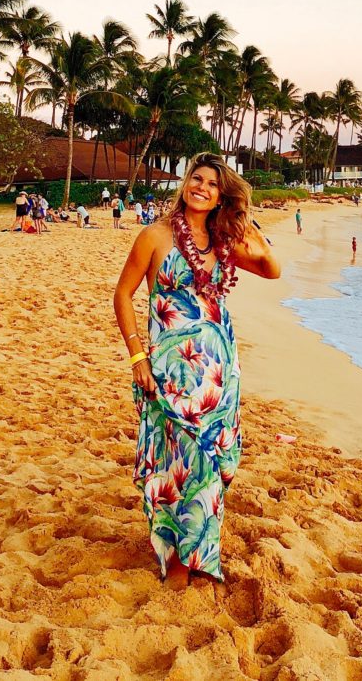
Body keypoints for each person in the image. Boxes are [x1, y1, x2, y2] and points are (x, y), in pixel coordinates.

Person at [113, 152, 280, 585]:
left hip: (219, 371)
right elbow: (123, 296)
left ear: (221, 196)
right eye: (197, 179)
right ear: (186, 183)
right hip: (169, 370)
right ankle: (177, 556)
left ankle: (199, 553)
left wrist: (247, 223)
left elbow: (272, 269)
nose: (201, 187)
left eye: (212, 184)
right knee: (176, 462)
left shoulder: (224, 242)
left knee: (211, 463)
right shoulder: (155, 237)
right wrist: (137, 358)